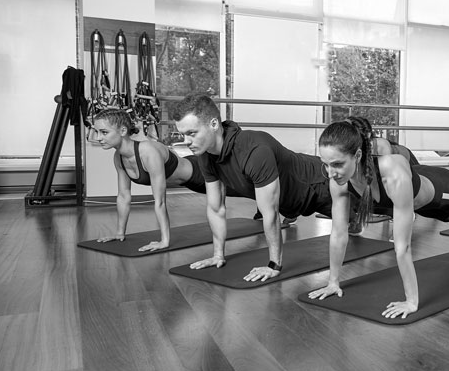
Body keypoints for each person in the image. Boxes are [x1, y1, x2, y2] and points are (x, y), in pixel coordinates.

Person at [308, 117, 449, 319]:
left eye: (337, 164)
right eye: (325, 164)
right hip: (423, 205)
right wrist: (332, 282)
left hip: (443, 189)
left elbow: (402, 247)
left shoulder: (392, 172)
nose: (330, 172)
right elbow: (338, 234)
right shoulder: (338, 181)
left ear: (356, 155)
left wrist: (411, 301)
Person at [171, 94, 333, 282]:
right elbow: (216, 208)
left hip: (321, 185)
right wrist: (218, 255)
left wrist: (274, 265)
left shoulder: (253, 150)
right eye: (182, 134)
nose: (186, 141)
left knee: (367, 209)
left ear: (214, 124)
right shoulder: (207, 156)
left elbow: (270, 213)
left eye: (192, 133)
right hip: (292, 201)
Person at [92, 108, 219, 251]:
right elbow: (123, 196)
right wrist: (119, 233)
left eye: (104, 132)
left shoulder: (147, 151)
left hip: (201, 174)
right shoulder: (118, 158)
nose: (98, 138)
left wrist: (164, 241)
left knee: (244, 189)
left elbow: (160, 201)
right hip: (190, 183)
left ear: (122, 131)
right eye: (97, 132)